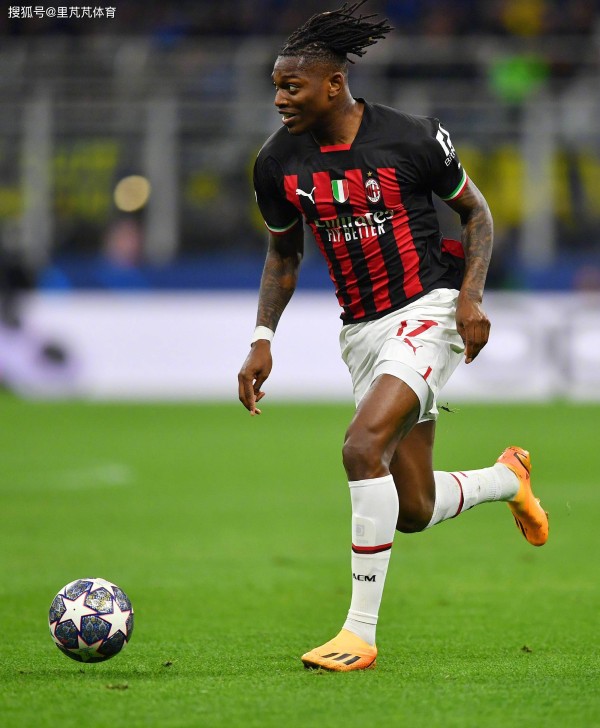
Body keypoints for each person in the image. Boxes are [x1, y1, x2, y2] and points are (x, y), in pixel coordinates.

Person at [238, 1, 548, 672]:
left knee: (361, 446)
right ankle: (507, 478)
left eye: (292, 86)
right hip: (361, 331)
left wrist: (469, 298)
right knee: (413, 506)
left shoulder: (412, 138)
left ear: (333, 84)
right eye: (276, 86)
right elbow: (284, 254)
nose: (280, 98)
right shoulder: (276, 162)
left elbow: (477, 214)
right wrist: (262, 336)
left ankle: (359, 633)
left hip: (428, 309)